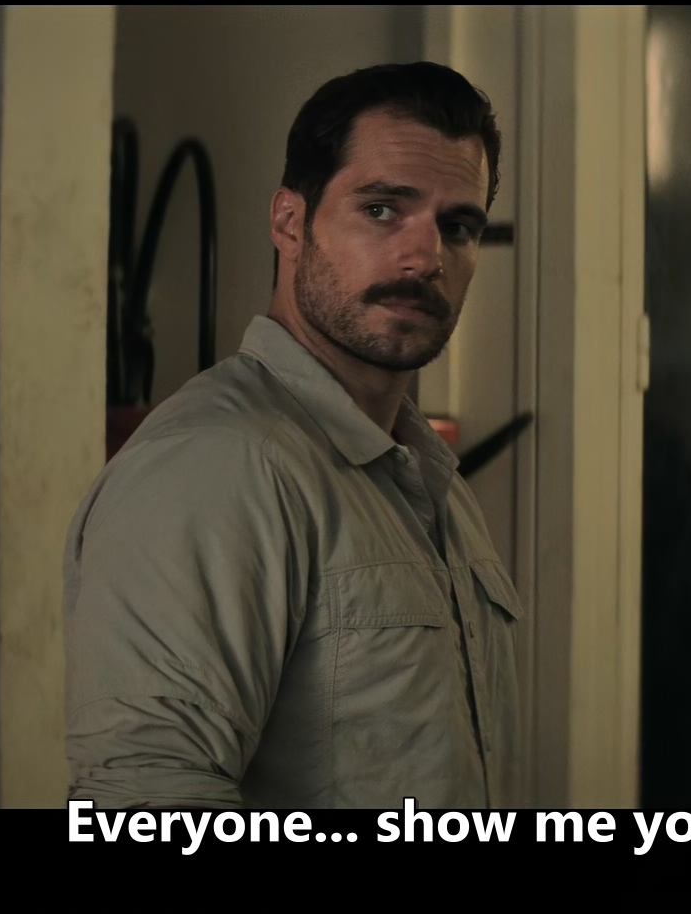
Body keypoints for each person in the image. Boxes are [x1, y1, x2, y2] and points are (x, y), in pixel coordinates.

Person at [63, 62, 520, 809]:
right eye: (382, 209)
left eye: (458, 226)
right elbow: (149, 798)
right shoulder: (220, 464)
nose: (426, 258)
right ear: (289, 222)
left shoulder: (429, 483)